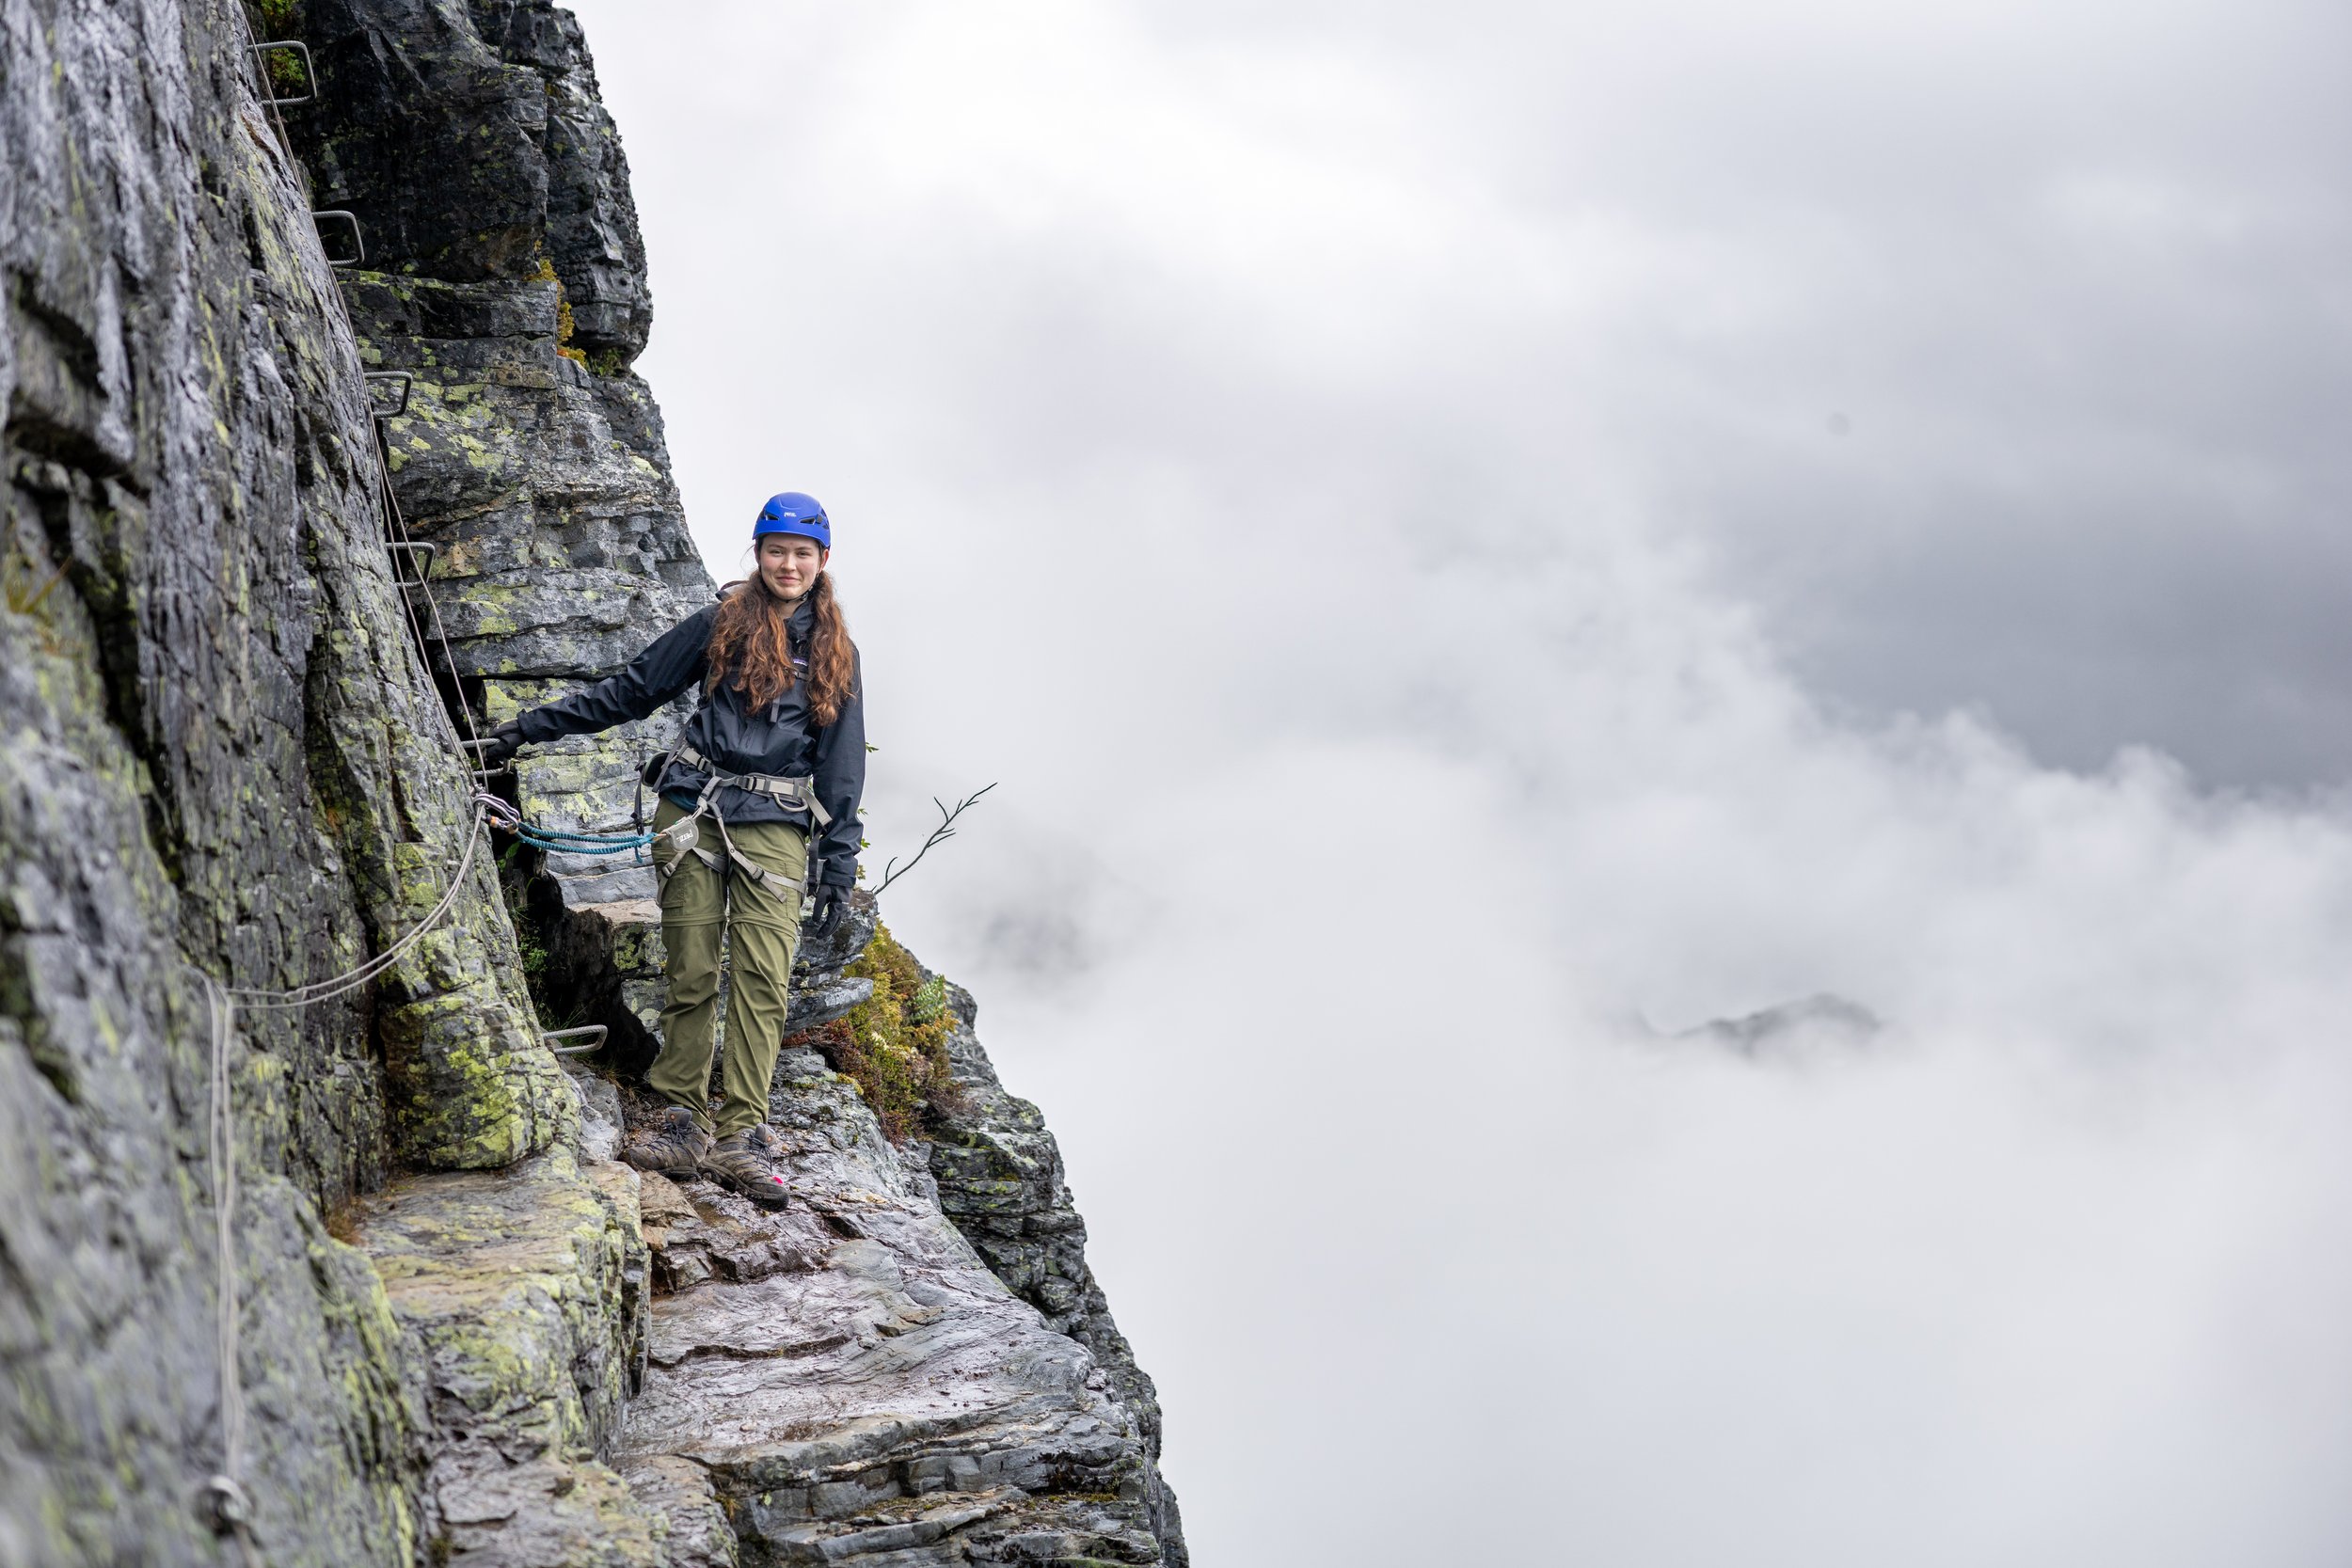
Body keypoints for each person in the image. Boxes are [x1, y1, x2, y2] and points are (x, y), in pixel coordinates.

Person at [475, 492, 865, 1207]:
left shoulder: (838, 652)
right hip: (693, 811)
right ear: (758, 553)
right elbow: (635, 689)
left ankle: (743, 1132)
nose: (787, 563)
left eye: (801, 553)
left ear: (822, 561)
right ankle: (683, 1119)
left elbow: (841, 767)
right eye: (776, 550)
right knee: (691, 968)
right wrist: (528, 728)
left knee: (762, 981)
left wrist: (838, 861)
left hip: (775, 827)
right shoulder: (722, 624)